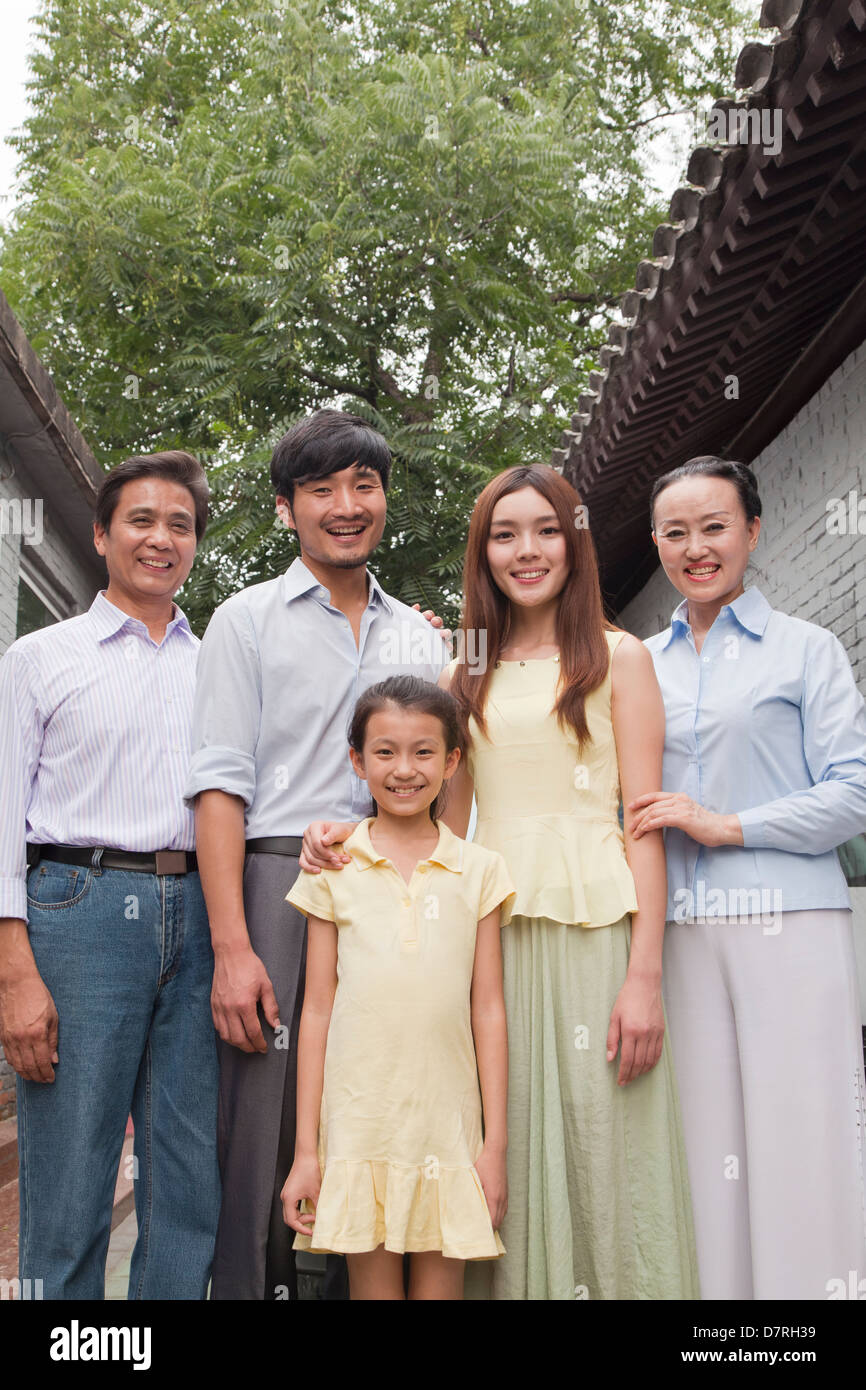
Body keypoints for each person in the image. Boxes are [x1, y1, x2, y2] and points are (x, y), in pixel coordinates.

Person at [302, 463, 699, 1300]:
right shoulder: (462, 674)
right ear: (483, 553)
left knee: (600, 1145)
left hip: (596, 935)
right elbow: (427, 824)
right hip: (481, 945)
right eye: (505, 534)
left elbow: (645, 822)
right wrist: (335, 834)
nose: (527, 552)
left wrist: (647, 976)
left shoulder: (621, 659)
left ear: (574, 543)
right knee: (497, 1145)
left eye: (547, 531)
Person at [184, 410, 449, 1300]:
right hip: (277, 884)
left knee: (380, 1107)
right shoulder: (245, 621)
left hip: (399, 890)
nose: (346, 505)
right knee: (264, 1123)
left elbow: (446, 781)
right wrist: (232, 948)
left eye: (364, 485)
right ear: (285, 508)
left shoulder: (422, 638)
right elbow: (219, 786)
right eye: (322, 488)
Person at [630, 455, 866, 1300]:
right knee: (702, 1152)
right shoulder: (638, 667)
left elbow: (855, 794)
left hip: (791, 925)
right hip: (683, 934)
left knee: (803, 1140)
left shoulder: (808, 650)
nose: (696, 547)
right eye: (676, 532)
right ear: (657, 542)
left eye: (715, 526)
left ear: (753, 532)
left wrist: (726, 824)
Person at [0, 451, 220, 1300]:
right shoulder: (40, 658)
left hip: (202, 910)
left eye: (180, 524)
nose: (160, 538)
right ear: (101, 534)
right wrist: (14, 968)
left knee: (188, 1167)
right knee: (71, 1172)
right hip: (76, 908)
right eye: (141, 520)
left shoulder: (218, 664)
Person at [280, 676, 515, 1300]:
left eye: (423, 752)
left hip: (448, 1131)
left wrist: (494, 1148)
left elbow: (488, 1008)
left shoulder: (481, 870)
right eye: (384, 752)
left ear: (453, 761)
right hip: (360, 1129)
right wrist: (309, 1150)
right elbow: (317, 1013)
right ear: (357, 761)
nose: (404, 769)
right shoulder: (333, 865)